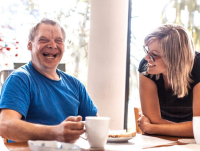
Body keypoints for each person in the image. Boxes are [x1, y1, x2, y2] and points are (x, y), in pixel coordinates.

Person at [0, 18, 98, 142]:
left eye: (58, 41)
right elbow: (5, 126)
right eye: (43, 40)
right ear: (30, 44)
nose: (52, 45)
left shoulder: (75, 85)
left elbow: (96, 124)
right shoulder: (20, 79)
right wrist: (55, 133)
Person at [137, 23, 200, 137]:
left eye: (154, 54)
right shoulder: (146, 66)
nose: (147, 58)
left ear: (174, 58)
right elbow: (152, 120)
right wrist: (154, 127)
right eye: (147, 51)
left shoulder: (198, 66)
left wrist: (152, 128)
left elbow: (199, 128)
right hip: (160, 138)